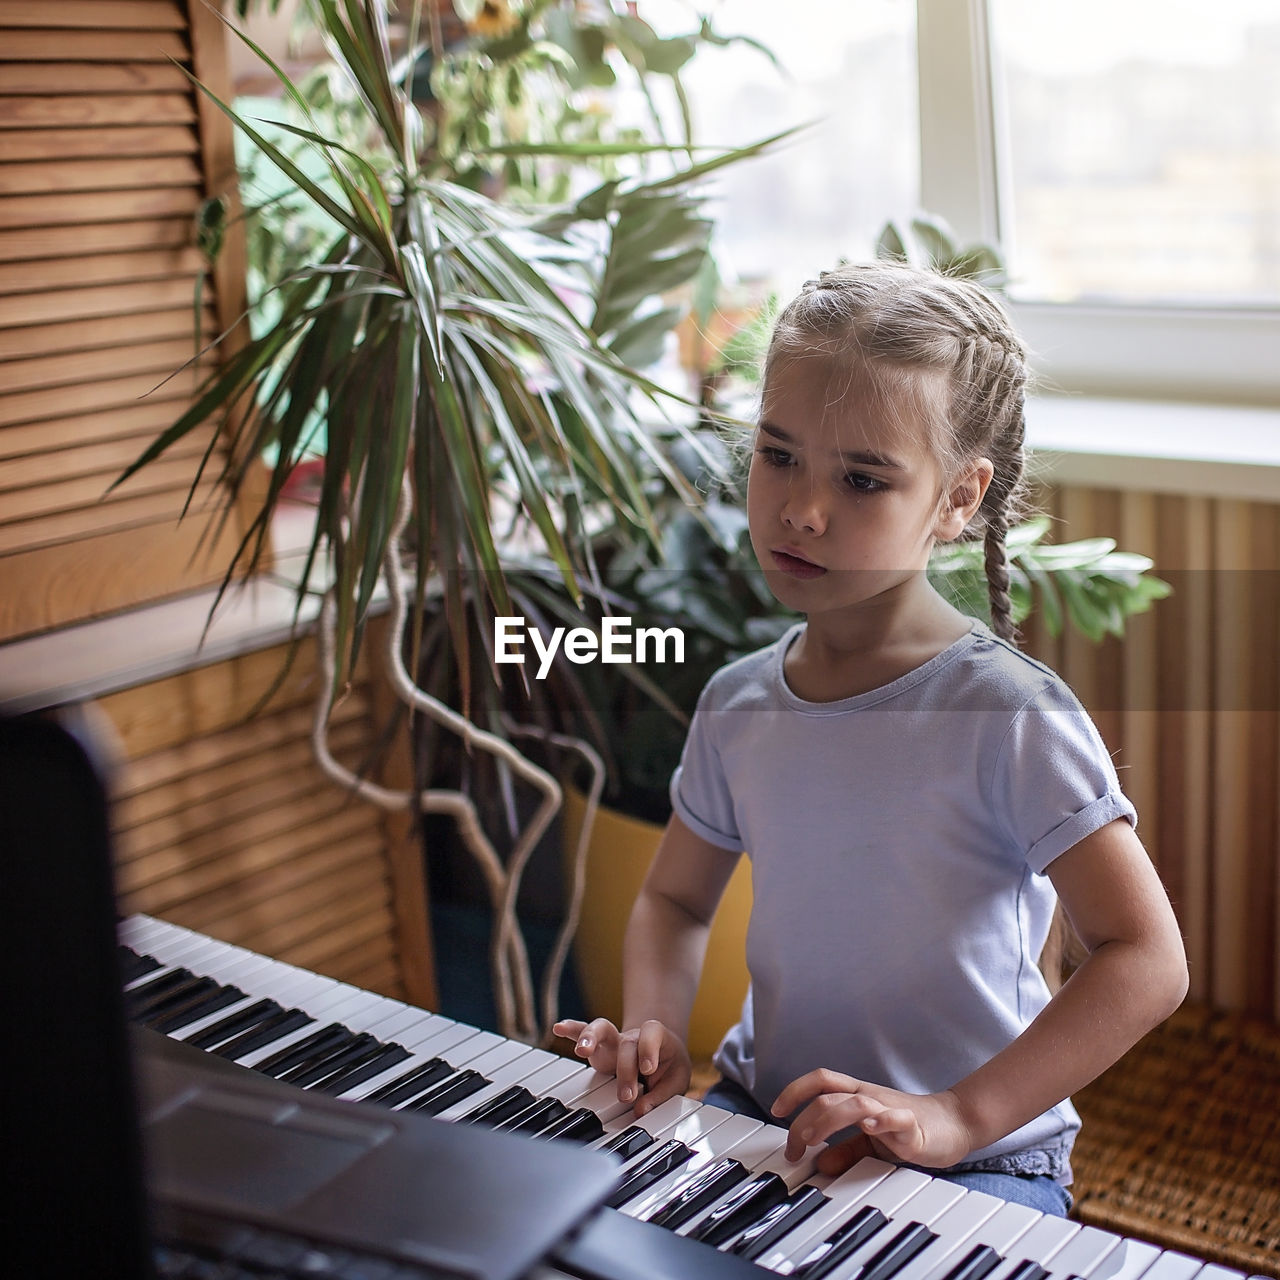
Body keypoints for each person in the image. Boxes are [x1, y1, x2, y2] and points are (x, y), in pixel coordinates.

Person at [554, 262, 1188, 1216]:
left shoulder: (1008, 717)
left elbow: (1146, 956)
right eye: (779, 455)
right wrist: (654, 1030)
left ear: (957, 500)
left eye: (861, 478)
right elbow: (679, 903)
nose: (804, 509)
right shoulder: (738, 704)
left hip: (977, 1159)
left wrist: (960, 1115)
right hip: (765, 1115)